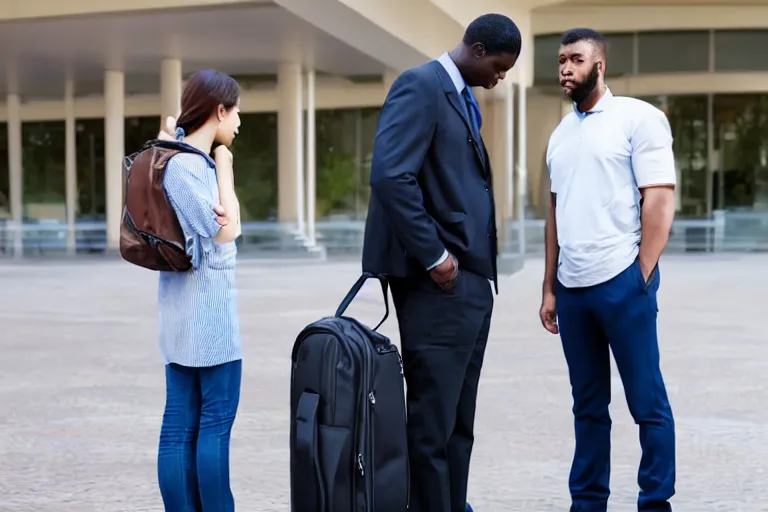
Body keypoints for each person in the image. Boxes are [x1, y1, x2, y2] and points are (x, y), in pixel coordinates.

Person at [362, 14, 521, 512]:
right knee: (431, 424)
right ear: (476, 48)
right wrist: (435, 256)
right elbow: (391, 176)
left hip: (470, 285)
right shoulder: (421, 85)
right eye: (499, 65)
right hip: (438, 286)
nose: (501, 77)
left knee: (458, 423)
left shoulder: (463, 99)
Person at [539, 28, 677, 512]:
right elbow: (555, 216)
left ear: (599, 65)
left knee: (647, 403)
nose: (565, 68)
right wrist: (549, 287)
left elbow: (659, 199)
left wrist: (640, 273)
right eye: (561, 60)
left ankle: (655, 502)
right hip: (573, 291)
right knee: (588, 408)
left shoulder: (638, 118)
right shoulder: (559, 135)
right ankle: (588, 503)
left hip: (622, 282)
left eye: (576, 58)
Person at [153, 69, 243, 512]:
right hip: (209, 322)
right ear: (220, 110)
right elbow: (227, 230)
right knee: (211, 427)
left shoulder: (174, 159)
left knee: (180, 426)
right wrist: (224, 168)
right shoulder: (190, 166)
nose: (240, 121)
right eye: (236, 110)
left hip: (178, 317)